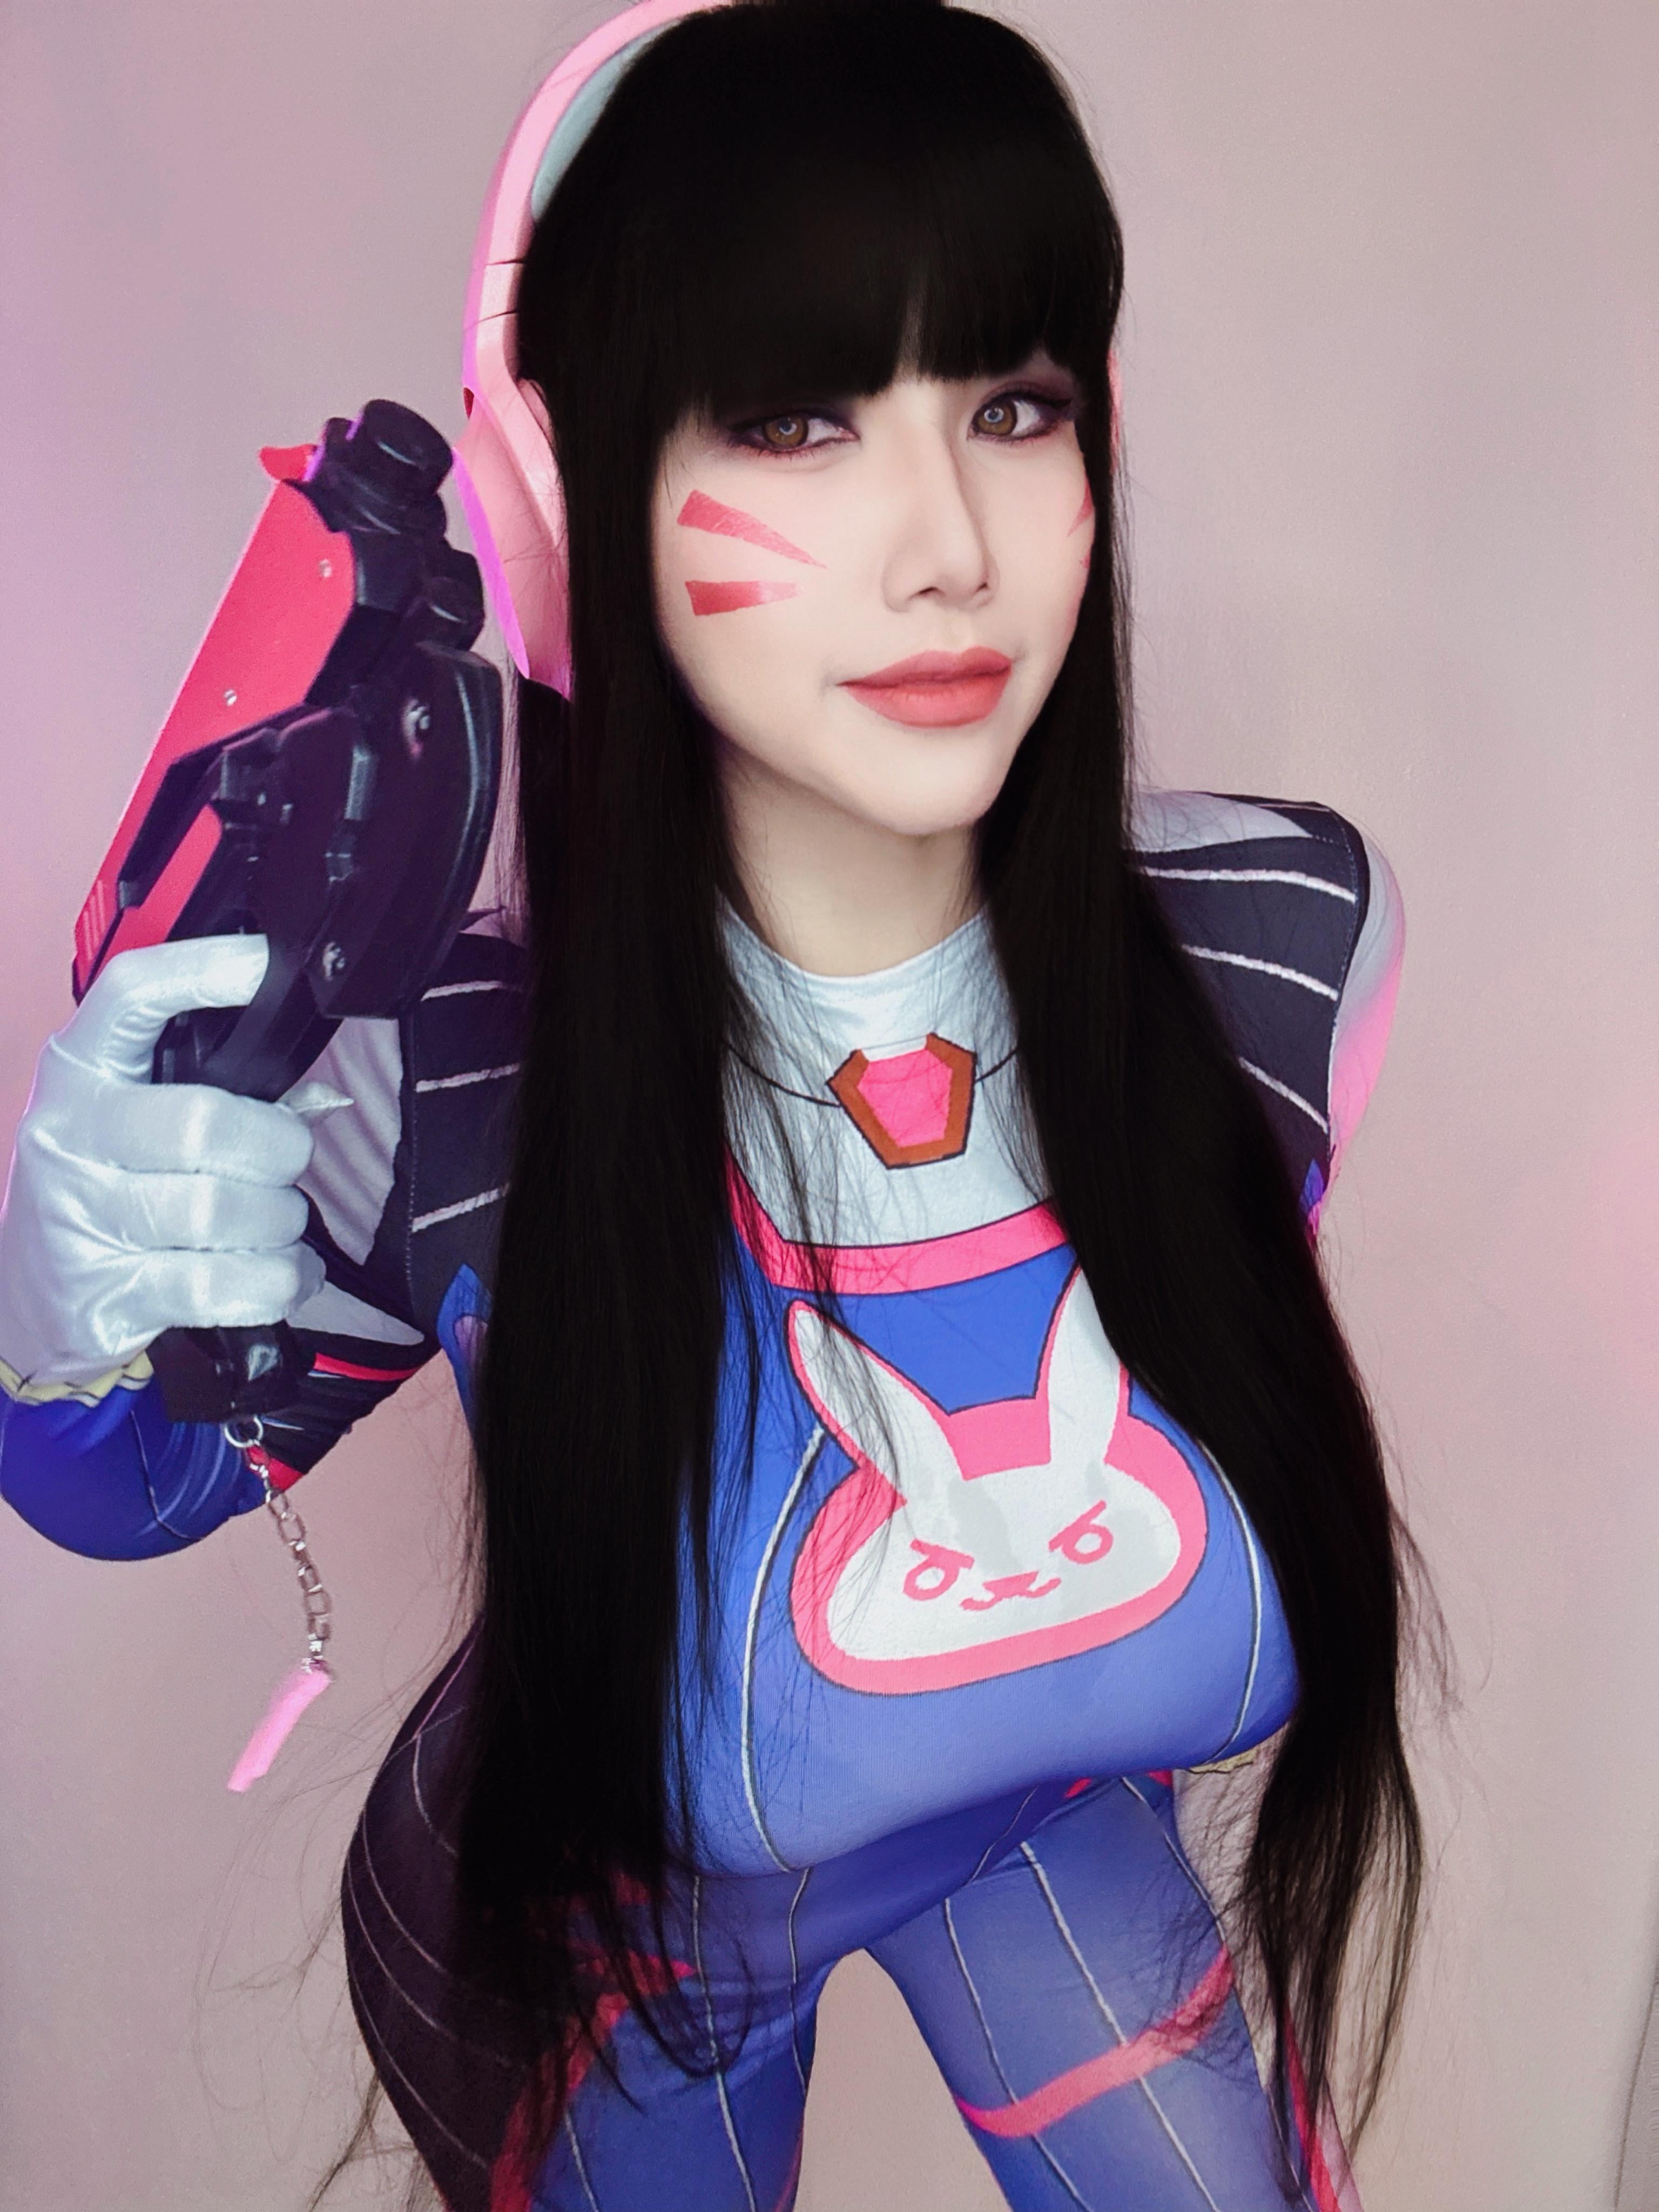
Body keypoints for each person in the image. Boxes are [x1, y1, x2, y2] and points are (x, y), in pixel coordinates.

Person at [0, 3, 1425, 2206]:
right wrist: (65, 1309)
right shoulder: (454, 1078)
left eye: (1013, 404)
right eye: (795, 417)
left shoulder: (1280, 946)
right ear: (559, 492)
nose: (947, 546)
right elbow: (128, 1482)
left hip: (1052, 1850)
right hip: (623, 1948)